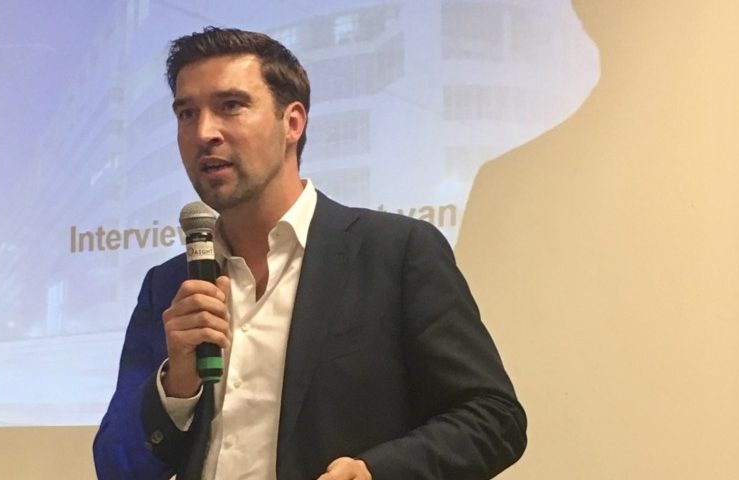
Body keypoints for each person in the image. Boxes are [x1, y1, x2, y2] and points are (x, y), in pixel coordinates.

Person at [93, 27, 526, 480]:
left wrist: (377, 471)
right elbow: (115, 467)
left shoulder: (396, 253)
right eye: (186, 113)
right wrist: (176, 386)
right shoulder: (168, 286)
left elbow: (494, 418)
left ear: (292, 122)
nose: (204, 132)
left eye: (231, 106)